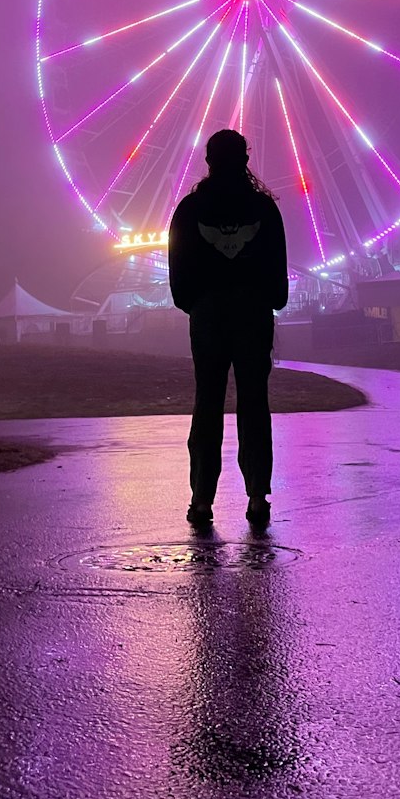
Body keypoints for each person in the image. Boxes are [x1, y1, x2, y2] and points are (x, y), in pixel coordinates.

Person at [168, 128, 288, 528]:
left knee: (207, 404)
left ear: (208, 161)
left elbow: (179, 273)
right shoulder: (264, 210)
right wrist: (268, 299)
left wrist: (196, 302)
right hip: (253, 313)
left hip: (208, 315)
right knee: (254, 403)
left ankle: (202, 499)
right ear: (246, 162)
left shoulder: (189, 209)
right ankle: (257, 496)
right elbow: (277, 271)